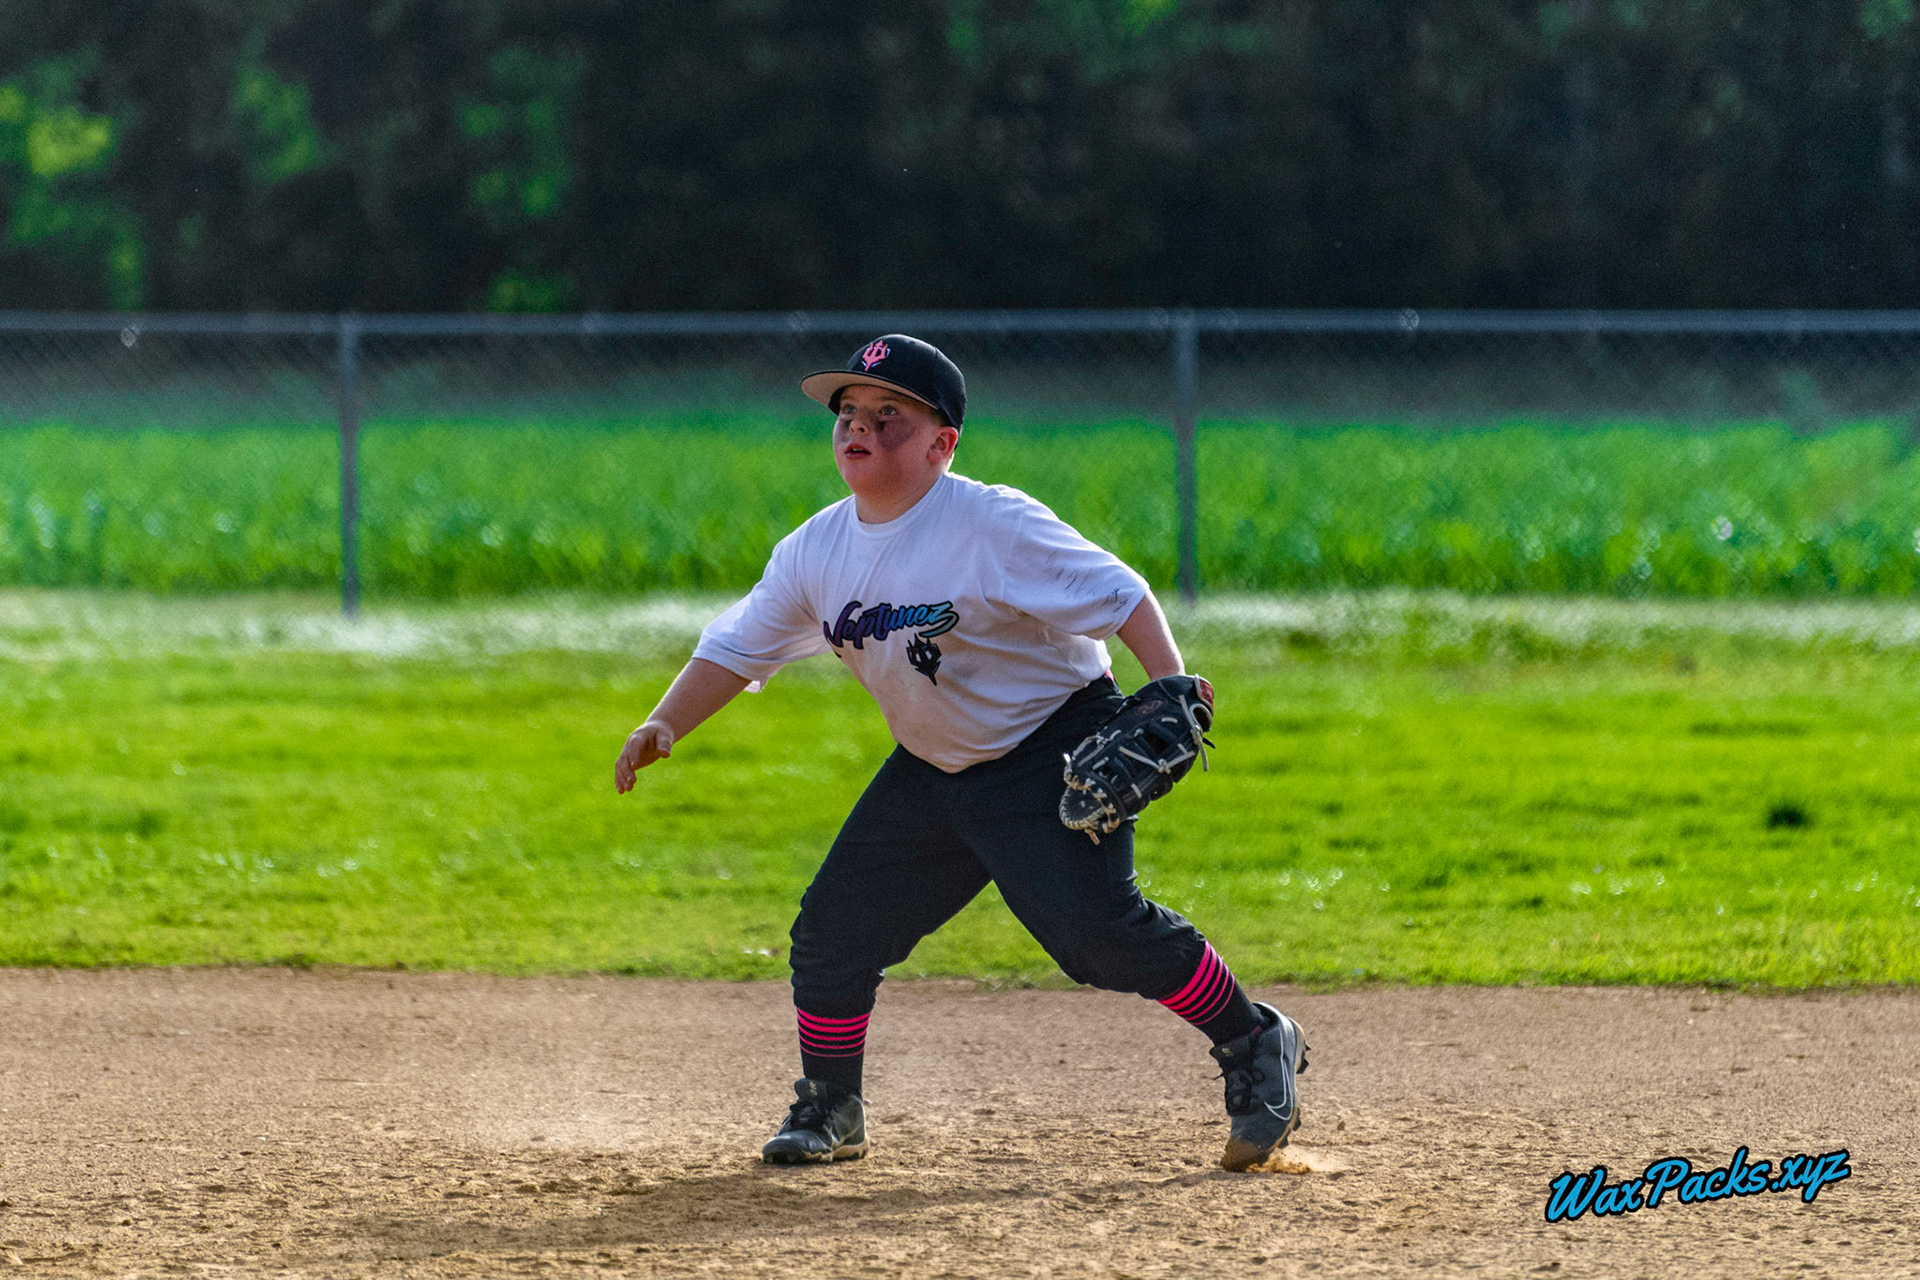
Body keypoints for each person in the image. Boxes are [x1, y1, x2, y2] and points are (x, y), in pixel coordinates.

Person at [613, 334, 1307, 1172]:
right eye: (848, 413)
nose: (858, 427)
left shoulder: (990, 522)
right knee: (832, 933)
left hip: (1048, 743)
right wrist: (666, 722)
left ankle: (1254, 1038)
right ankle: (832, 1106)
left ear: (943, 443)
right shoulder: (816, 551)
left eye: (889, 414)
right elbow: (736, 645)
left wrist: (1171, 689)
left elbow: (1123, 594)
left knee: (1096, 939)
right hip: (934, 766)